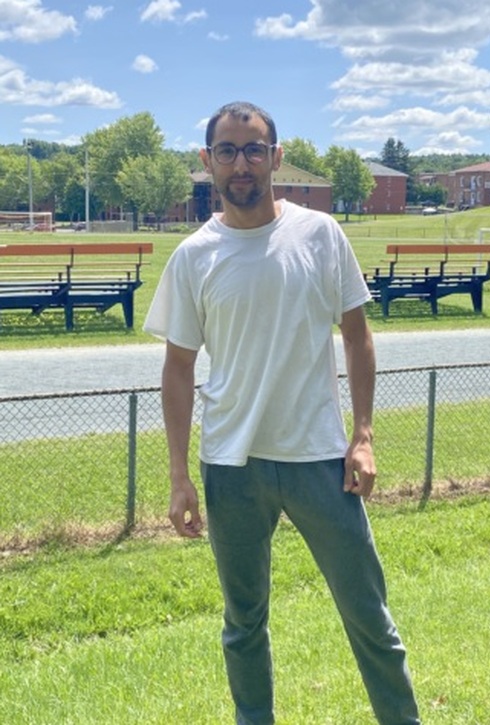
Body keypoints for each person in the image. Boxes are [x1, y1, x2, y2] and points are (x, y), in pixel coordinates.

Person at [144, 101, 421, 725]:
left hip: (319, 459)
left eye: (253, 150)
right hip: (231, 466)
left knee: (368, 616)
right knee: (243, 623)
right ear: (207, 160)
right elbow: (178, 368)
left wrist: (364, 435)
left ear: (276, 156)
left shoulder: (319, 234)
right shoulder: (194, 256)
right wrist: (179, 475)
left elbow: (357, 334)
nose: (240, 164)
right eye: (227, 151)